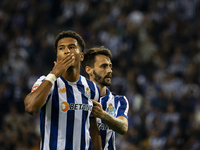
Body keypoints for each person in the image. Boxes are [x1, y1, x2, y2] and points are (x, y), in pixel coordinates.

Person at [24, 30, 102, 150]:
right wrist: (54, 74)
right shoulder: (46, 82)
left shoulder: (92, 88)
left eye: (72, 47)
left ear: (81, 56)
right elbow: (30, 107)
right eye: (61, 48)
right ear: (57, 56)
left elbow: (94, 130)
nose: (66, 51)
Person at [82, 46, 129, 150]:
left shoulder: (119, 101)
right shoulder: (79, 98)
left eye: (110, 66)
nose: (109, 70)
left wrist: (102, 114)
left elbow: (123, 127)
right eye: (103, 66)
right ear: (89, 70)